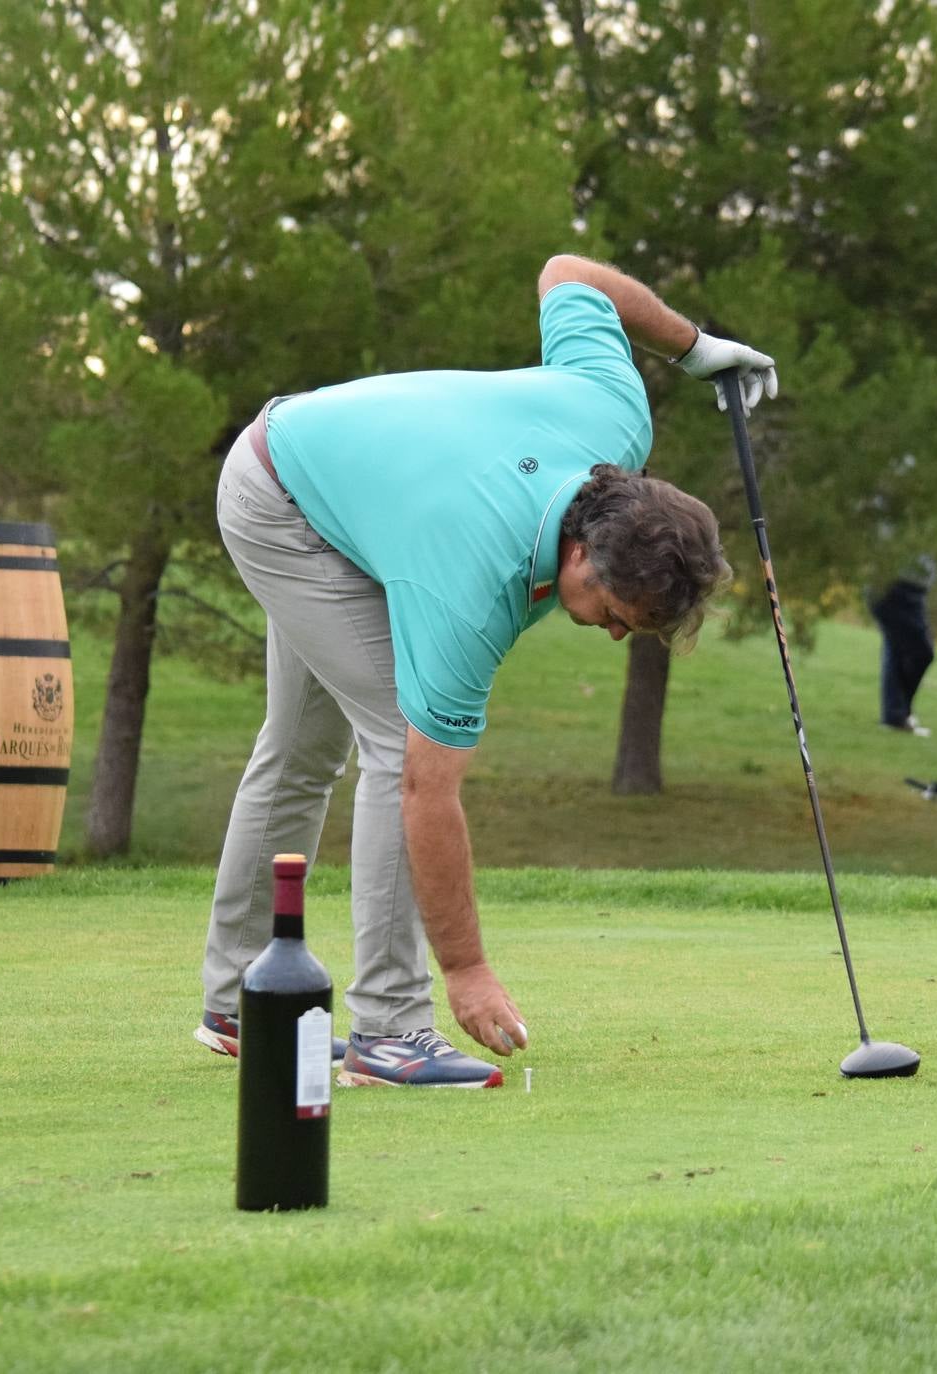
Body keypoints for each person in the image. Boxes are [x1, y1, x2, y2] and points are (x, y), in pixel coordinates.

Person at [198, 254, 775, 1088]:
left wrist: (691, 349)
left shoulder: (614, 415)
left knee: (300, 750)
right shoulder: (471, 586)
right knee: (397, 746)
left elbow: (567, 273)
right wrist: (466, 968)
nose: (614, 637)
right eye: (613, 613)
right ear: (579, 551)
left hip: (360, 481)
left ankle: (239, 1005)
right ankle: (389, 1028)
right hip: (284, 498)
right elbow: (427, 791)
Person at [868, 555, 937, 737]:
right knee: (923, 653)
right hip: (896, 588)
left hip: (909, 590)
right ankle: (897, 714)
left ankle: (896, 716)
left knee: (896, 651)